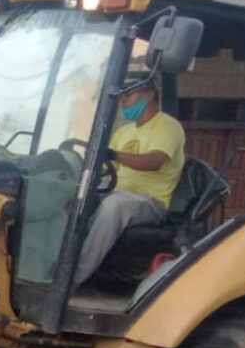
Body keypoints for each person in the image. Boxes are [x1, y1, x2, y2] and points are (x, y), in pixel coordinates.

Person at [73, 77, 186, 287]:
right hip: (118, 192)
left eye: (129, 94)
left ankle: (73, 277)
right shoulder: (124, 131)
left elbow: (155, 161)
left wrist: (113, 155)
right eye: (121, 96)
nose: (123, 101)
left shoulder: (168, 126)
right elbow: (108, 169)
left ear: (150, 94)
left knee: (113, 206)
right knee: (72, 195)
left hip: (151, 202)